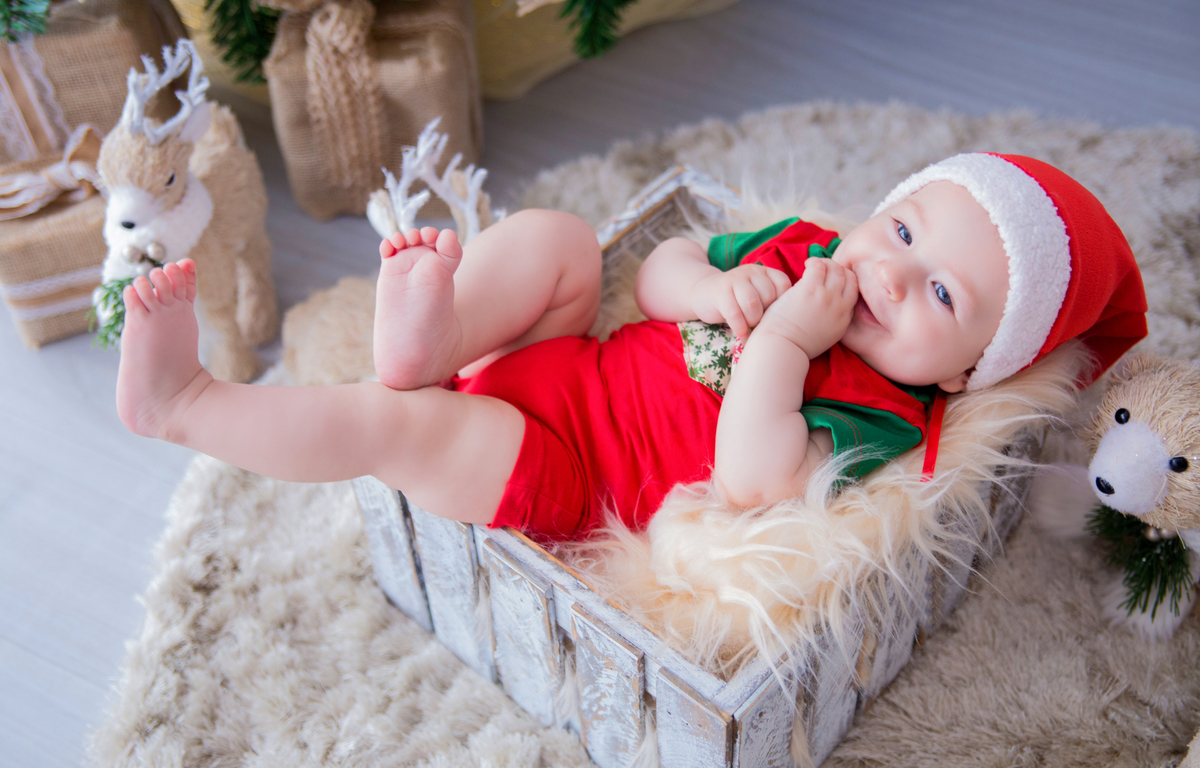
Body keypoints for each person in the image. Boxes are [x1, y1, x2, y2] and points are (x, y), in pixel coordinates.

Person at [113, 153, 1147, 543]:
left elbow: (753, 478)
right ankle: (441, 332)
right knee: (563, 242)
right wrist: (713, 283)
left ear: (967, 372)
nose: (890, 273)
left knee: (401, 426)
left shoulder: (890, 417)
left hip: (569, 467)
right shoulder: (811, 253)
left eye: (941, 294)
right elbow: (656, 276)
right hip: (578, 359)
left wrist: (787, 335)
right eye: (905, 232)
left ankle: (186, 401)